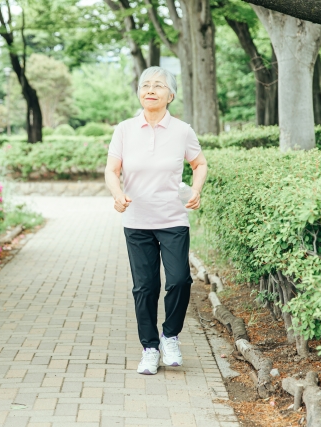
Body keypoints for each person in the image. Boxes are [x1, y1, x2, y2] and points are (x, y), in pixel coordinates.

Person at [104, 66, 208, 375]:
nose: (151, 89)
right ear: (139, 92)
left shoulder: (182, 130)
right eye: (146, 85)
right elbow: (112, 170)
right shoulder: (124, 129)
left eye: (159, 85)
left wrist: (197, 189)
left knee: (179, 280)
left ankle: (170, 336)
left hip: (173, 218)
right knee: (145, 287)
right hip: (137, 220)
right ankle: (149, 348)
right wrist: (117, 194)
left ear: (170, 95)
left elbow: (199, 164)